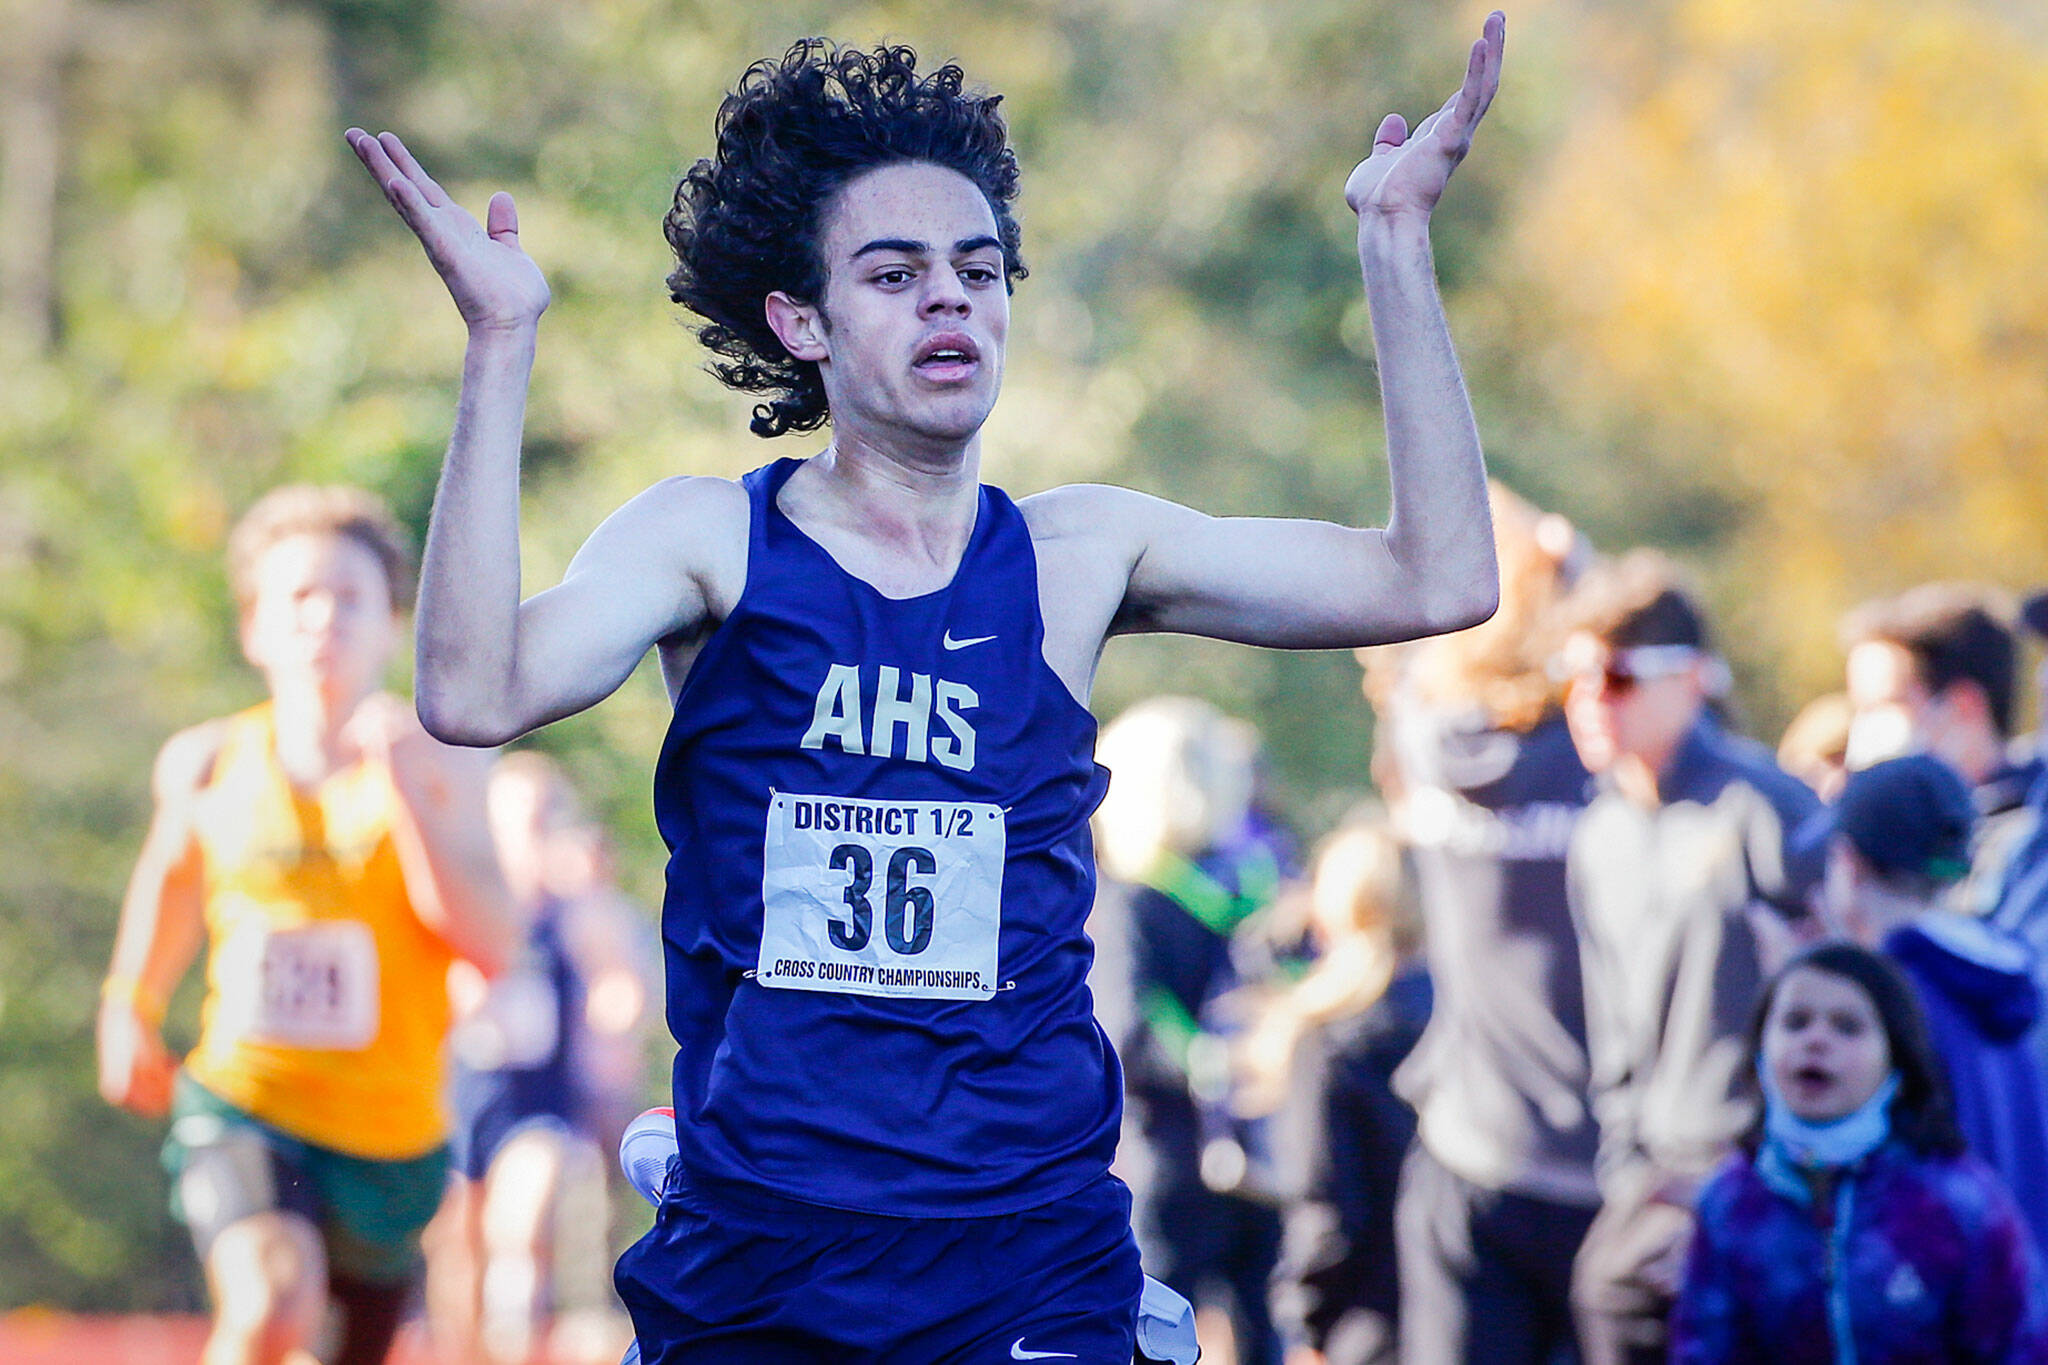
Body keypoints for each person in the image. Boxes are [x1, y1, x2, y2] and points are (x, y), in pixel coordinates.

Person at [345, 14, 1505, 1361]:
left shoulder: (1079, 555)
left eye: (976, 268)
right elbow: (475, 690)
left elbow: (1437, 581)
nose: (951, 298)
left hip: (1028, 1246)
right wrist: (498, 345)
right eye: (894, 275)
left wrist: (1395, 246)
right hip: (767, 1249)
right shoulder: (712, 543)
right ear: (802, 322)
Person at [95, 484, 514, 1365]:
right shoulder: (206, 761)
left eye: (350, 597)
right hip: (248, 1098)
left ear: (392, 626)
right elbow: (171, 879)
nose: (323, 616)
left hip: (390, 1132)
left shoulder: (444, 759)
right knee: (272, 1303)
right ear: (253, 626)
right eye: (298, 596)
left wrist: (404, 791)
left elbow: (491, 943)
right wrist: (129, 1001)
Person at [1555, 549, 1823, 1365]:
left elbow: (1845, 1006)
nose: (1593, 700)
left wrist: (1762, 1185)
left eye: (1621, 676)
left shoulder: (1765, 808)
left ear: (1694, 679)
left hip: (1768, 1180)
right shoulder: (1597, 832)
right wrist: (1628, 1174)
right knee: (1605, 1292)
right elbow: (1614, 1036)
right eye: (1574, 678)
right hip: (1656, 1177)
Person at [1362, 481, 1598, 1365]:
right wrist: (1571, 562)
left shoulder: (1429, 745)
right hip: (1601, 1161)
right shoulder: (1590, 754)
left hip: (1473, 1146)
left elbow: (1403, 650)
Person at [1669, 943, 2048, 1362]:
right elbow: (1703, 1349)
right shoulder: (1730, 1202)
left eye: (1848, 1027)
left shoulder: (1959, 1200)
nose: (1816, 1040)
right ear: (1759, 1051)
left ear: (1898, 1062)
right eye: (1795, 1022)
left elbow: (2021, 1346)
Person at [1096, 697, 1289, 1365]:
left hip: (1208, 1153)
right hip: (1213, 1147)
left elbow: (1126, 1030)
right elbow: (1132, 1032)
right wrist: (1232, 1065)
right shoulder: (1242, 889)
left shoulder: (1166, 896)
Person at [1813, 754, 2048, 1256]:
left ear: (1850, 866)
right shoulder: (1996, 976)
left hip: (1927, 1304)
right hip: (2014, 1304)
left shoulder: (1884, 1004)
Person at [426, 751, 603, 1365]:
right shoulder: (460, 891)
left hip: (540, 1100)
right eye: (517, 813)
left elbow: (614, 970)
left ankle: (518, 1351)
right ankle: (464, 1353)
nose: (529, 828)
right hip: (463, 1089)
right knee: (459, 1248)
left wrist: (616, 1006)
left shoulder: (572, 905)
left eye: (540, 814)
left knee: (521, 1233)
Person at [1241, 814, 1431, 1365]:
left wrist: (1307, 1325)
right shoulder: (1474, 1019)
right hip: (1473, 1307)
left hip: (1368, 1325)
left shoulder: (1330, 1041)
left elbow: (1326, 1213)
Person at [1840, 582, 2040, 914]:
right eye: (1858, 709)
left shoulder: (2030, 842)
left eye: (1885, 706)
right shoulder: (1891, 837)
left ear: (1964, 706)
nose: (1864, 728)